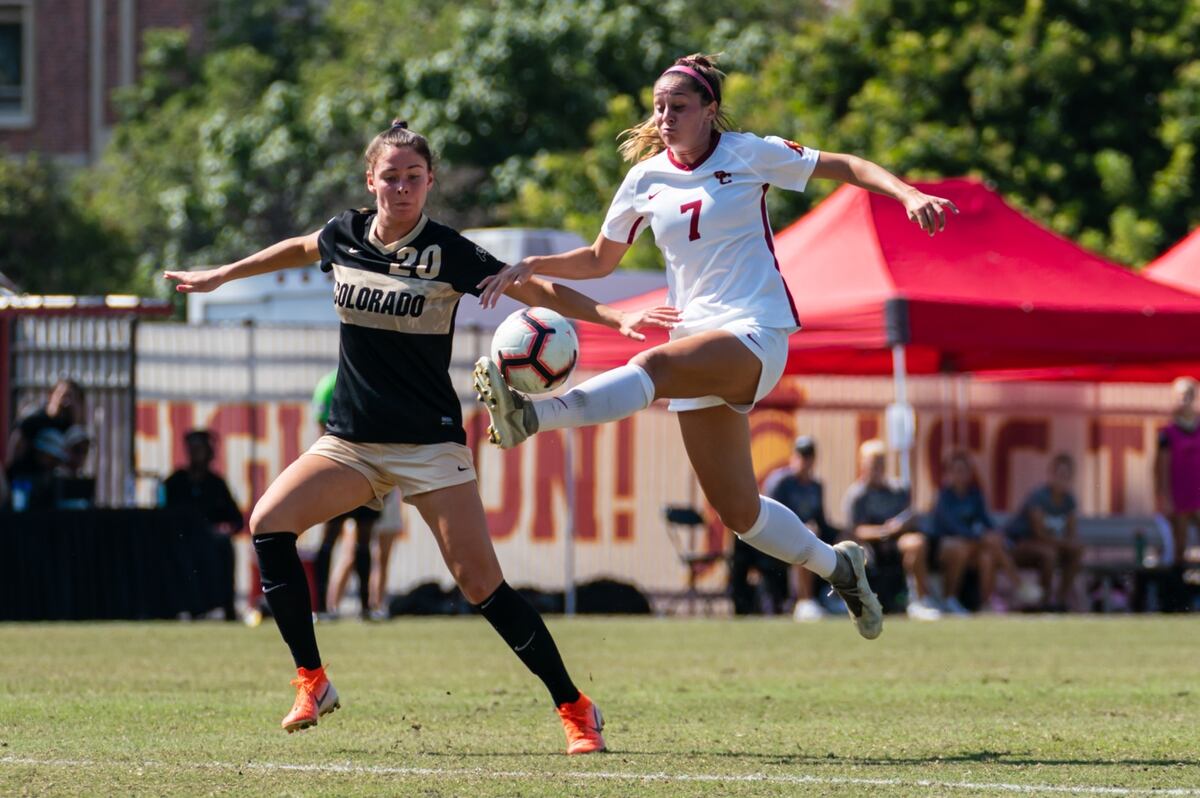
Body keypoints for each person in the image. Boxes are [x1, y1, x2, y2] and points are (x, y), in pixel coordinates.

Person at [164, 120, 667, 752]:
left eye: (414, 178)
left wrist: (615, 315)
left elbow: (532, 286)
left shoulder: (449, 252)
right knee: (268, 523)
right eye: (391, 177)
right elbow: (297, 248)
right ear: (370, 180)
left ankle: (575, 707)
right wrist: (221, 276)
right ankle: (312, 680)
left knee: (482, 586)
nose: (402, 188)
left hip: (430, 447)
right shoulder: (344, 234)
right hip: (351, 442)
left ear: (429, 183)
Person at [474, 54, 959, 640]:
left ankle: (533, 416)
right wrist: (533, 263)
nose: (665, 116)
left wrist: (906, 193)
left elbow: (848, 164)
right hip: (697, 340)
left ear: (710, 110)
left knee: (649, 365)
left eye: (678, 106)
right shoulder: (645, 178)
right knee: (741, 514)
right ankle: (841, 566)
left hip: (757, 330)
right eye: (659, 107)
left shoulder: (748, 152)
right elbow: (601, 260)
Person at [843, 439, 941, 620]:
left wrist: (903, 525)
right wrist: (883, 531)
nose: (877, 468)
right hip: (871, 549)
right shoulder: (856, 495)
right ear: (863, 465)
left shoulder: (898, 490)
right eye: (873, 464)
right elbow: (854, 530)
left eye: (881, 463)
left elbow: (912, 517)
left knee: (917, 543)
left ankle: (919, 600)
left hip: (897, 544)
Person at [931, 450, 1040, 613]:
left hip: (973, 547)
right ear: (950, 473)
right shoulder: (944, 496)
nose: (961, 475)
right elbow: (951, 527)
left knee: (988, 556)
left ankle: (985, 604)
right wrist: (981, 536)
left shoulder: (975, 494)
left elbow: (985, 520)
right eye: (956, 470)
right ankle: (1018, 584)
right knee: (970, 546)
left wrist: (996, 533)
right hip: (948, 547)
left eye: (964, 470)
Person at [310, 369, 376, 620]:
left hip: (361, 469)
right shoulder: (330, 383)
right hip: (347, 469)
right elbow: (321, 427)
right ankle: (323, 607)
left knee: (361, 543)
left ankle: (364, 607)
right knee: (331, 540)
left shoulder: (363, 381)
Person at [162, 430, 245, 621]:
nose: (196, 453)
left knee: (224, 547)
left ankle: (225, 607)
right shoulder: (176, 482)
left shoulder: (216, 484)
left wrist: (225, 528)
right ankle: (188, 607)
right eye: (192, 449)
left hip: (211, 542)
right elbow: (166, 516)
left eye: (200, 448)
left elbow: (236, 519)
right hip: (183, 542)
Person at [757, 435, 840, 621]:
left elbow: (822, 522)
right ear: (793, 456)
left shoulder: (816, 487)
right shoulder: (780, 483)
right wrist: (801, 528)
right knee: (806, 536)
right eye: (801, 455)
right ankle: (804, 601)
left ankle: (838, 595)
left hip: (808, 536)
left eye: (809, 456)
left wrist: (845, 534)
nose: (805, 461)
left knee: (841, 538)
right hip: (778, 539)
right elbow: (770, 517)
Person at [1006, 454, 1084, 611]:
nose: (1062, 480)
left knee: (1077, 550)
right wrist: (1065, 543)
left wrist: (1070, 544)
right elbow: (1038, 533)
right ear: (1051, 474)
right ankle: (1043, 601)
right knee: (1049, 554)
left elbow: (1071, 532)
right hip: (1021, 544)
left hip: (1050, 546)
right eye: (1059, 474)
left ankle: (1060, 600)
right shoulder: (1038, 497)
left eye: (1067, 476)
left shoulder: (1069, 500)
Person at [6, 378, 83, 481]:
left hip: (53, 484)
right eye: (64, 395)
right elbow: (15, 450)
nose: (67, 402)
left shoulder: (68, 425)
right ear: (51, 395)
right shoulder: (34, 420)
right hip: (27, 481)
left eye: (73, 398)